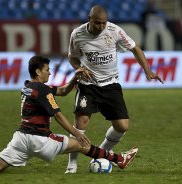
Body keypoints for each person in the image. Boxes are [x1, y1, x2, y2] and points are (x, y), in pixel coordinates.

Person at [0, 56, 138, 176]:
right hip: (40, 140)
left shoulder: (27, 86)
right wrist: (77, 133)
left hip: (20, 139)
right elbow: (58, 116)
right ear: (38, 72)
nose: (50, 72)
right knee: (82, 145)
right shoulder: (43, 91)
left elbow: (61, 91)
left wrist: (74, 78)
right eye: (47, 70)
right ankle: (119, 159)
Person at [65, 5, 163, 174]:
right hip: (88, 86)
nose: (101, 26)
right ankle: (71, 166)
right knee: (81, 123)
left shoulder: (114, 31)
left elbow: (135, 47)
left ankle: (102, 155)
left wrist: (147, 70)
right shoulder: (77, 34)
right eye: (97, 23)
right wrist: (78, 68)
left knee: (122, 126)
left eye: (104, 23)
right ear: (90, 19)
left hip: (111, 84)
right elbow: (72, 56)